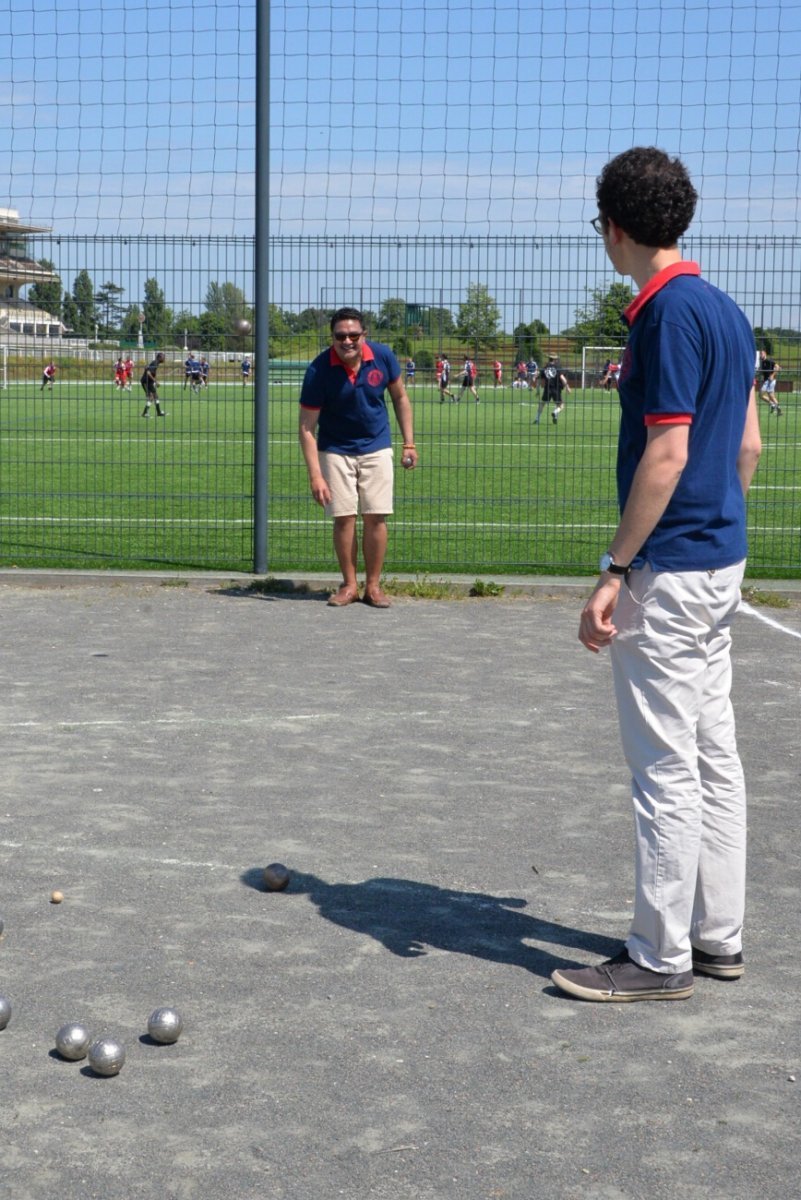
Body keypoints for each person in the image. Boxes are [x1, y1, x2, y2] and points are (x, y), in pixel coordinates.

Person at [551, 147, 761, 1003]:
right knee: (715, 758)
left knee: (665, 769)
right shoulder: (725, 308)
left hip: (668, 573)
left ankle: (658, 956)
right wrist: (717, 531)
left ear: (614, 227)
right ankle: (716, 939)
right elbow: (745, 446)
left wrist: (616, 568)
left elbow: (667, 452)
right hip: (717, 562)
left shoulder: (665, 316)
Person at [298, 307, 417, 609]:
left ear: (365, 334)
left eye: (354, 335)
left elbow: (400, 397)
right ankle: (349, 585)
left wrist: (409, 443)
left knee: (376, 516)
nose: (347, 341)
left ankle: (373, 587)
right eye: (341, 336)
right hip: (335, 449)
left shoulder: (382, 356)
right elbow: (307, 427)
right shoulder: (318, 370)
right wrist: (315, 475)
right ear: (332, 337)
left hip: (377, 445)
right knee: (344, 518)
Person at [535, 357, 571, 424]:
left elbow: (539, 380)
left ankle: (537, 419)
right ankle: (555, 412)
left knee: (542, 404)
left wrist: (537, 391)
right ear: (554, 360)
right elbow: (562, 378)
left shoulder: (545, 368)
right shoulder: (558, 367)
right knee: (561, 405)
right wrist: (567, 387)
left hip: (547, 389)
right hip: (556, 389)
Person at [140, 352, 167, 417]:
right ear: (160, 357)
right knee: (151, 397)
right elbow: (148, 373)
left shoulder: (156, 363)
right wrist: (155, 381)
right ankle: (144, 413)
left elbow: (148, 370)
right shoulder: (155, 363)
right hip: (145, 382)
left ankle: (159, 413)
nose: (164, 358)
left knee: (156, 396)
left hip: (150, 382)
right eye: (163, 357)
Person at [758, 349, 782, 415]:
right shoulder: (762, 362)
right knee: (769, 395)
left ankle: (774, 406)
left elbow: (778, 367)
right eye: (760, 354)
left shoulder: (769, 361)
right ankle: (776, 407)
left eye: (762, 354)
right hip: (766, 381)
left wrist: (772, 375)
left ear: (765, 354)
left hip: (770, 381)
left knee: (762, 395)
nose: (760, 355)